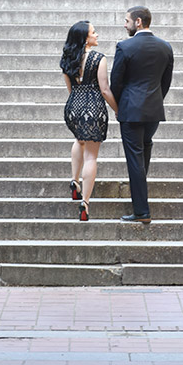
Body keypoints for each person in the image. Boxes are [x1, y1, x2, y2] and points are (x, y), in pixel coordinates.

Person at [109, 5, 174, 224]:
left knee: (135, 158)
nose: (124, 25)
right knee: (144, 150)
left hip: (131, 111)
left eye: (127, 21)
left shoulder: (125, 47)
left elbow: (116, 82)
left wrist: (120, 107)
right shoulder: (165, 47)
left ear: (138, 22)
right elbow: (166, 82)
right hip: (153, 110)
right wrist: (155, 101)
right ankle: (140, 196)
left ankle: (141, 211)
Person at [59, 20, 117, 221]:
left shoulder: (67, 58)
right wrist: (117, 109)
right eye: (94, 32)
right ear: (85, 38)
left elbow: (70, 88)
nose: (97, 35)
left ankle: (74, 182)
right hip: (93, 107)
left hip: (73, 106)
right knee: (91, 157)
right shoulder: (99, 58)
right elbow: (105, 89)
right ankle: (85, 203)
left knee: (79, 140)